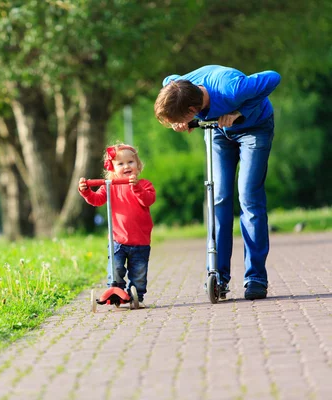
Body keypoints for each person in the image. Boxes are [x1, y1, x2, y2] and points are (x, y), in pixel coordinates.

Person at [154, 65, 281, 300]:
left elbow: (273, 77)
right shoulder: (176, 85)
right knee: (219, 197)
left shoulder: (231, 89)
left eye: (183, 117)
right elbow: (167, 78)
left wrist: (240, 112)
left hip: (254, 129)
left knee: (248, 198)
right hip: (218, 133)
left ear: (193, 109)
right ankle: (218, 277)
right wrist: (178, 122)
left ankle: (255, 278)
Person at [79, 144, 156, 308]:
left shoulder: (144, 184)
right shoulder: (110, 185)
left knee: (139, 274)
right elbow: (97, 200)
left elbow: (147, 200)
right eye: (120, 164)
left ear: (138, 165)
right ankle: (115, 292)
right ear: (112, 168)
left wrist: (135, 187)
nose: (127, 166)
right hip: (117, 240)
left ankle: (137, 297)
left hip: (140, 241)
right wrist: (86, 191)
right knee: (116, 269)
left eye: (130, 162)